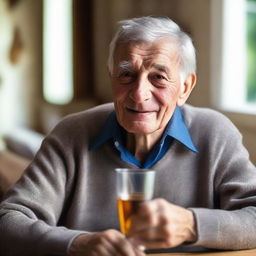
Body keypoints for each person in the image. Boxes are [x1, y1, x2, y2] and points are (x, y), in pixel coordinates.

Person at [0, 16, 256, 256]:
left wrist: (192, 225)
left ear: (185, 88)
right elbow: (8, 222)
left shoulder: (215, 133)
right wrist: (77, 243)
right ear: (112, 78)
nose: (139, 93)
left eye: (158, 77)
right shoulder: (71, 134)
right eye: (126, 75)